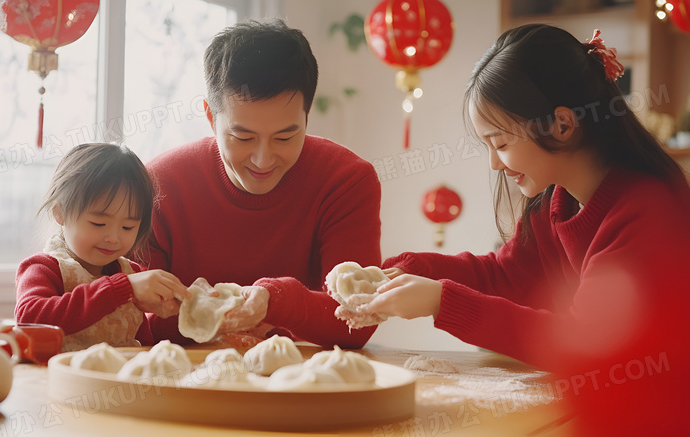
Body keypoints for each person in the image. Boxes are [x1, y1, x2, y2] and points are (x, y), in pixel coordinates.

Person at [351, 25, 690, 435]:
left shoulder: (647, 210)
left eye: (501, 143)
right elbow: (505, 275)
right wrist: (409, 271)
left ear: (563, 125)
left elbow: (583, 340)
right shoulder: (555, 200)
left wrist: (442, 301)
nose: (495, 164)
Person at [145, 19, 381, 349]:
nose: (262, 159)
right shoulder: (157, 186)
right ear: (211, 117)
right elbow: (135, 322)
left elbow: (357, 319)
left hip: (302, 384)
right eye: (243, 136)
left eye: (285, 136)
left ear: (307, 117)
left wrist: (275, 301)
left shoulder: (346, 182)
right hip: (181, 383)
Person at [15, 143, 188, 352]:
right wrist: (122, 288)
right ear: (60, 212)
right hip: (65, 382)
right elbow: (28, 318)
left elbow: (143, 341)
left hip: (119, 381)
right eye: (98, 223)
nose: (113, 238)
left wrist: (187, 305)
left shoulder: (131, 274)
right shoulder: (44, 268)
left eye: (127, 226)